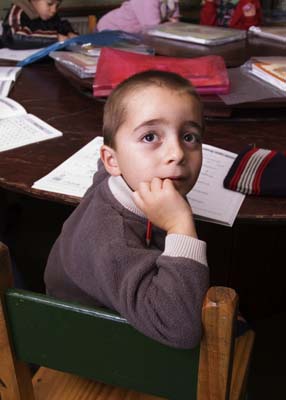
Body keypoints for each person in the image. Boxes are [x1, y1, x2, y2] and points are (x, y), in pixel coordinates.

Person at [44, 70, 209, 349]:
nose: (178, 153)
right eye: (150, 137)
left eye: (189, 136)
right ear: (113, 160)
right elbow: (180, 330)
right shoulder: (109, 238)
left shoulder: (125, 176)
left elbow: (103, 168)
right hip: (89, 343)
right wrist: (180, 226)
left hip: (125, 307)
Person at [2, 0, 77, 49]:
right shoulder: (17, 11)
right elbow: (14, 37)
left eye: (57, 6)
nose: (54, 10)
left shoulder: (49, 14)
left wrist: (69, 32)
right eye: (49, 4)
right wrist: (55, 38)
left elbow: (60, 25)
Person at [97, 0, 180, 34]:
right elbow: (152, 29)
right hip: (112, 29)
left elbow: (175, 23)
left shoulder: (173, 1)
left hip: (137, 33)